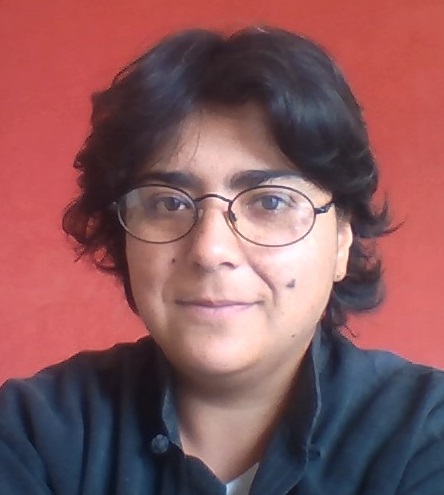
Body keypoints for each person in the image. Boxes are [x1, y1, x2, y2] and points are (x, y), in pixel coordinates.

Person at [0, 25, 443, 495]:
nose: (210, 251)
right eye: (168, 202)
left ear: (341, 241)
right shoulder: (33, 433)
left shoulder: (423, 436)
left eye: (270, 202)